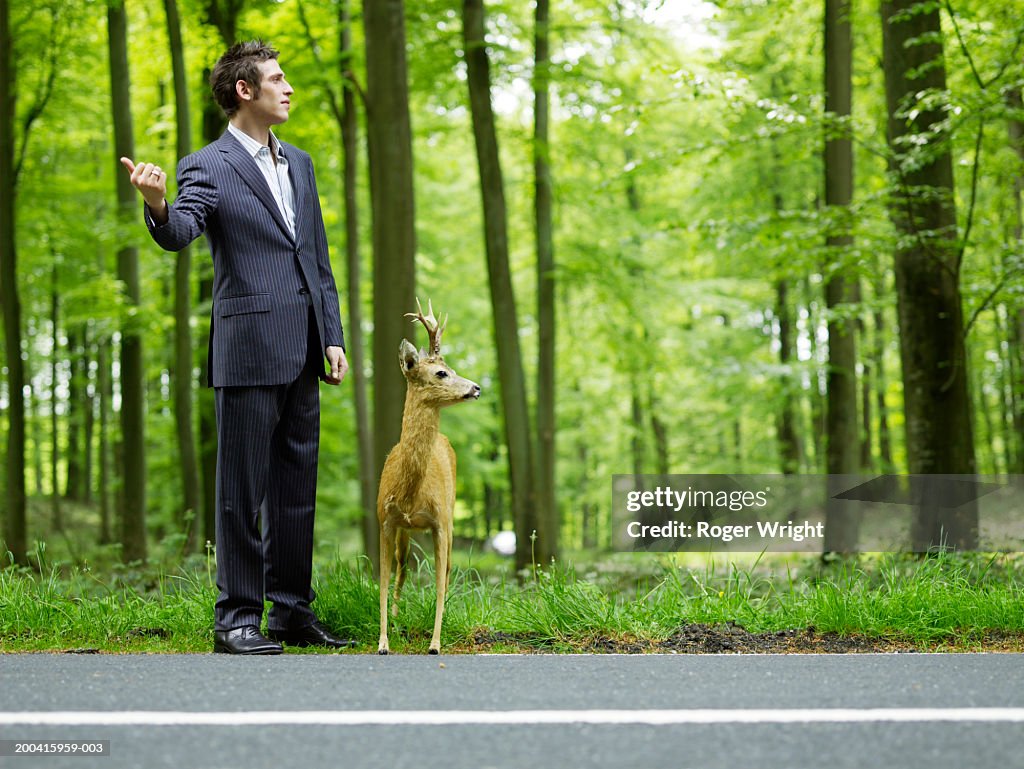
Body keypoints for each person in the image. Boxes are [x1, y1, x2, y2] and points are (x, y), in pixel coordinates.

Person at [121, 40, 355, 654]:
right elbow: (180, 231)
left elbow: (316, 258)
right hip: (247, 349)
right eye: (277, 79)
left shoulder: (299, 163)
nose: (289, 87)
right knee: (241, 493)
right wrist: (154, 203)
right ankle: (236, 619)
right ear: (245, 91)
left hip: (304, 348)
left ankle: (290, 614)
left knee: (295, 492)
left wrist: (331, 335)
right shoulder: (208, 164)